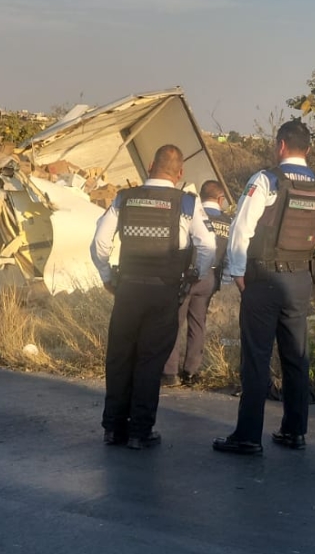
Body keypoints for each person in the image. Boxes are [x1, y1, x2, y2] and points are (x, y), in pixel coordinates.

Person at [213, 120, 315, 456]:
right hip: (301, 280)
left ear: (280, 146)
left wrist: (236, 273)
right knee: (296, 356)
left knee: (256, 357)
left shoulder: (266, 180)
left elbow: (241, 229)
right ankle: (295, 431)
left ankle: (248, 436)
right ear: (307, 149)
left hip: (264, 279)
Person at [91, 145, 216, 450]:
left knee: (120, 357)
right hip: (163, 292)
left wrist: (108, 278)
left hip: (128, 291)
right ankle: (140, 432)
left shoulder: (124, 198)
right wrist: (195, 276)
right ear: (180, 173)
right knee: (150, 361)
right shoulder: (187, 202)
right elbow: (208, 246)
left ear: (150, 165)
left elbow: (99, 243)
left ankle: (113, 429)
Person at [163, 180, 230, 387]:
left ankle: (169, 373)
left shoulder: (194, 215)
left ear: (201, 197)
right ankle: (191, 372)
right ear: (220, 199)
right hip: (210, 278)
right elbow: (230, 255)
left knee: (174, 322)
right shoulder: (229, 221)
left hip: (188, 275)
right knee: (198, 324)